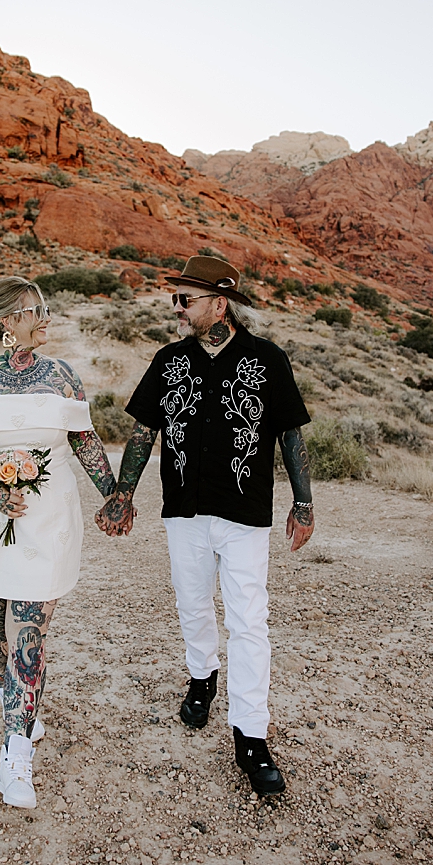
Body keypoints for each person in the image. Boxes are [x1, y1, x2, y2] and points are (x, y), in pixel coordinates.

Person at [117, 253, 314, 797]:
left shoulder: (268, 360)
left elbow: (291, 435)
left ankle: (251, 736)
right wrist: (122, 495)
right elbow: (143, 431)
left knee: (249, 621)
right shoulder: (168, 360)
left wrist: (303, 503)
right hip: (184, 509)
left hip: (245, 515)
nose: (177, 308)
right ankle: (202, 677)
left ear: (219, 304)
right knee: (192, 603)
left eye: (186, 299)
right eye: (175, 298)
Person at [0, 276, 131, 809]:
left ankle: (15, 758)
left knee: (29, 634)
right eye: (34, 310)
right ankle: (17, 702)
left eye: (45, 308)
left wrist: (113, 495)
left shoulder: (63, 377)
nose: (46, 318)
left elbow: (84, 440)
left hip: (48, 521)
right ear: (6, 322)